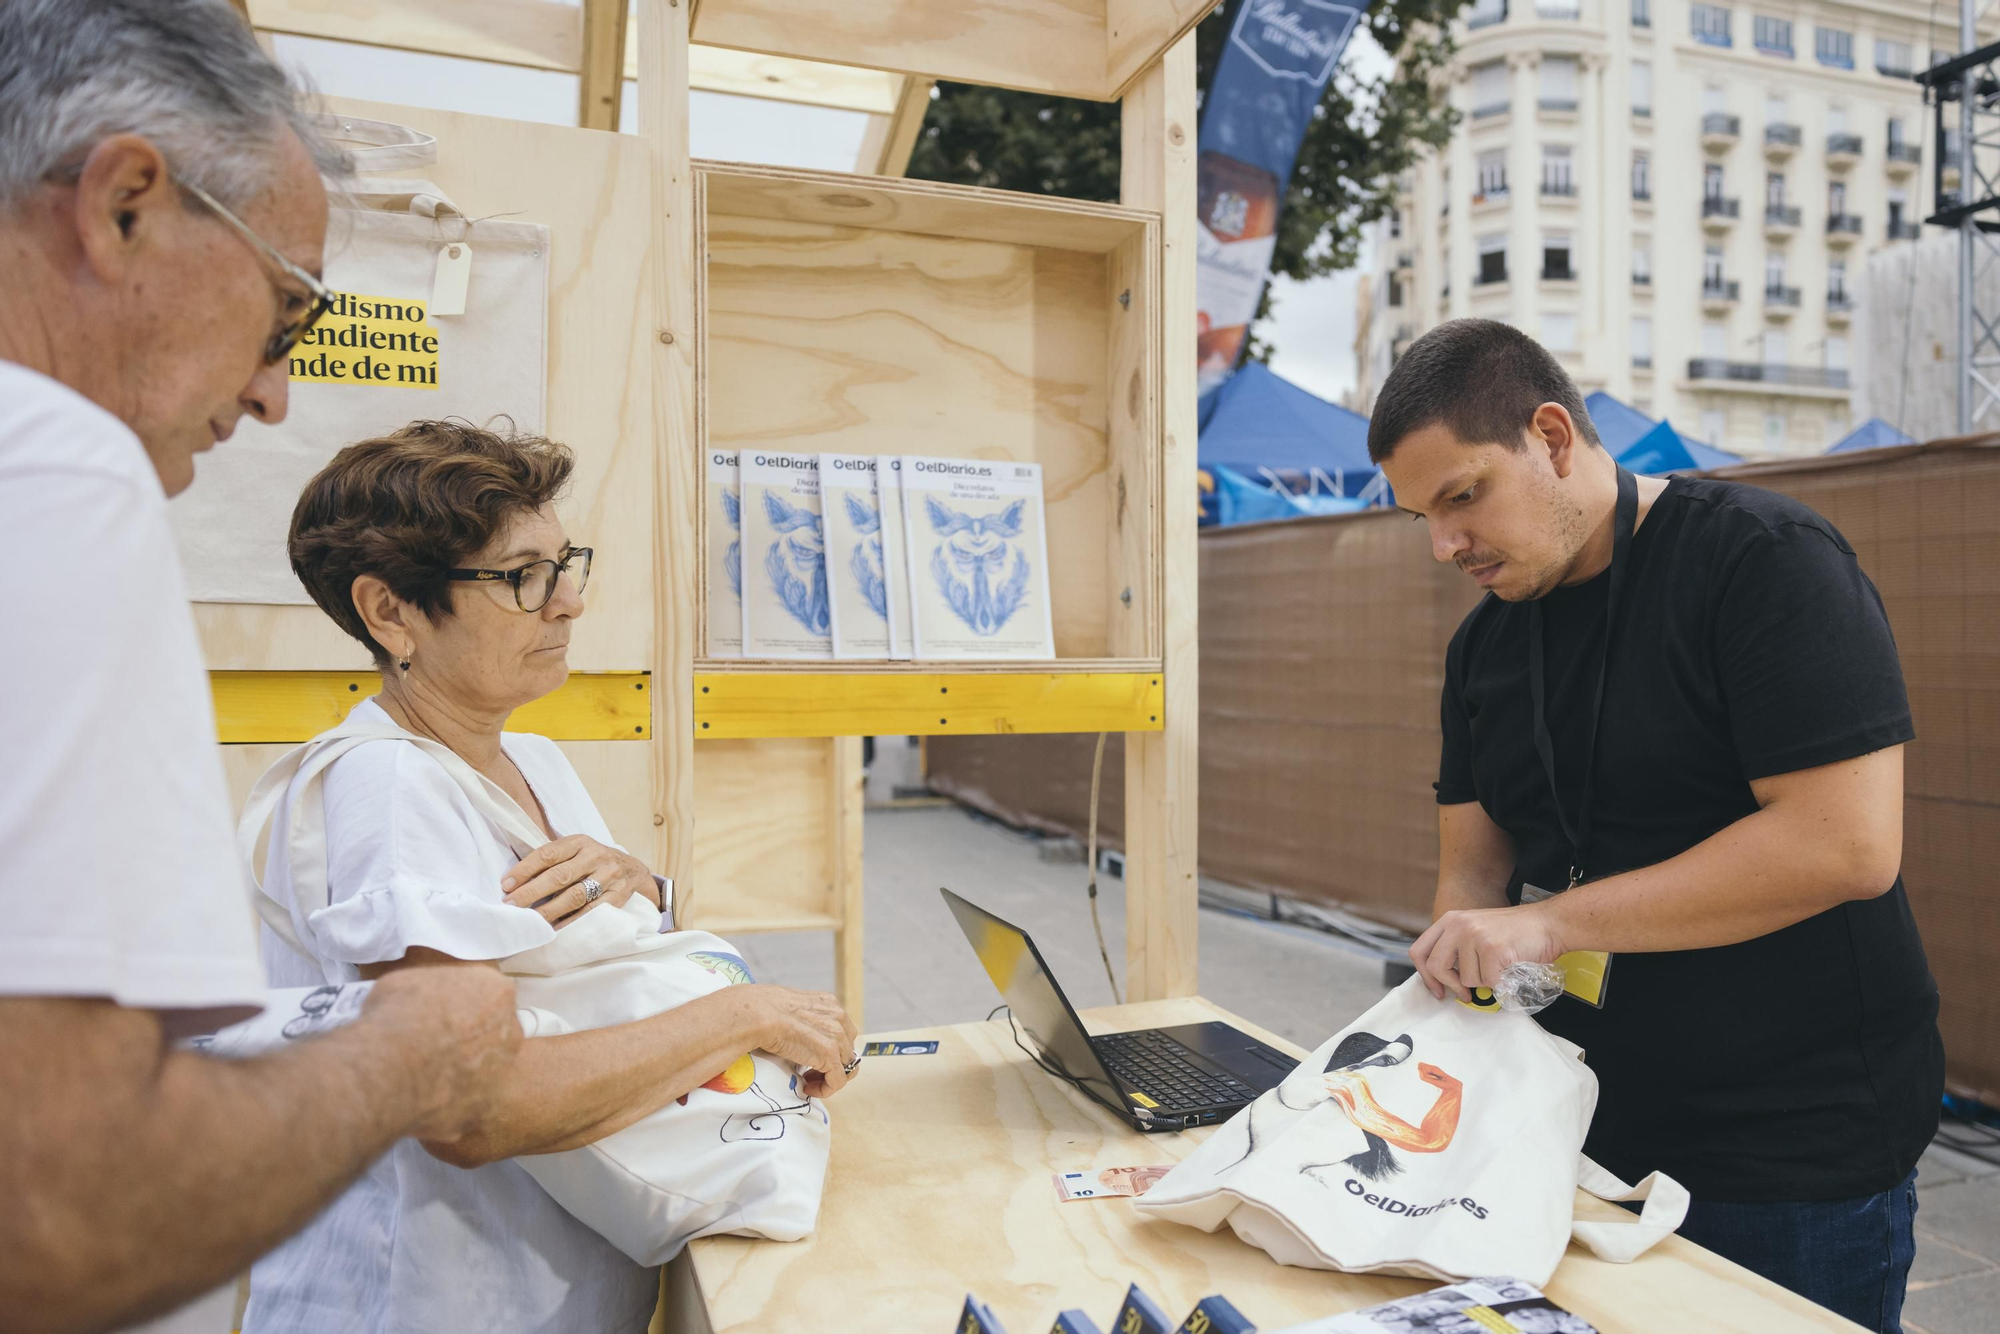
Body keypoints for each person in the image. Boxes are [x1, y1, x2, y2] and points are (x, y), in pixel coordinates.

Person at [0, 4, 526, 1333]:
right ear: (124, 204)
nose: (278, 390)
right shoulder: (56, 468)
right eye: (290, 310)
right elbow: (66, 1209)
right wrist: (422, 1047)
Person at [1367, 319, 1944, 1334]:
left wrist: (1549, 926)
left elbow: (1843, 843)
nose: (1443, 544)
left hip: (1789, 1155)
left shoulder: (1763, 562)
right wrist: (1456, 974)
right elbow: (1472, 872)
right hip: (1574, 1136)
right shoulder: (1480, 647)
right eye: (1418, 514)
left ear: (1549, 436)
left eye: (1460, 497)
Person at [243, 421, 859, 1334]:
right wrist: (745, 1011)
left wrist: (645, 891)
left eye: (565, 563)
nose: (567, 601)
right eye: (522, 576)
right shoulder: (385, 784)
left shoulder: (528, 756)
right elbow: (466, 1105)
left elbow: (590, 976)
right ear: (390, 612)